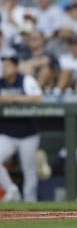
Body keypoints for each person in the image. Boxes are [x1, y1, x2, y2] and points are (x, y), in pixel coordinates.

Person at [0, 53, 43, 202]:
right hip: (7, 133)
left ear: (16, 67)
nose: (5, 68)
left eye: (8, 65)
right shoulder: (1, 82)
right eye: (3, 65)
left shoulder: (25, 80)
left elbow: (38, 98)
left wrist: (12, 99)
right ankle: (12, 190)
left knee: (29, 170)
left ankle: (30, 202)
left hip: (28, 133)